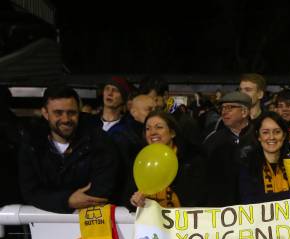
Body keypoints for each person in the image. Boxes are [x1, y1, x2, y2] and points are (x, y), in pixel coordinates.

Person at [19, 85, 118, 213]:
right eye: (58, 113)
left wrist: (52, 198)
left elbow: (101, 190)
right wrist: (67, 200)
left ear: (79, 111)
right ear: (45, 113)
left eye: (71, 113)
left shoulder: (100, 141)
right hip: (41, 226)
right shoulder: (31, 144)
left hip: (92, 224)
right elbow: (30, 192)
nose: (66, 119)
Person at [130, 111, 206, 208]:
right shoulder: (140, 159)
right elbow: (128, 194)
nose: (153, 132)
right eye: (148, 129)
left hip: (183, 219)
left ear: (172, 133)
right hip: (150, 219)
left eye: (159, 127)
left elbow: (197, 198)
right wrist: (134, 201)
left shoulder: (191, 160)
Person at [239, 112, 290, 204]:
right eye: (265, 132)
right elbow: (248, 201)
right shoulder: (248, 164)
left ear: (284, 135)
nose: (271, 137)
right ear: (258, 136)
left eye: (277, 132)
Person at [203, 91, 256, 207]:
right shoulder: (213, 140)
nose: (224, 112)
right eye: (222, 108)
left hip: (254, 205)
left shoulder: (259, 137)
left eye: (230, 108)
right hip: (222, 207)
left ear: (244, 112)